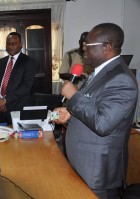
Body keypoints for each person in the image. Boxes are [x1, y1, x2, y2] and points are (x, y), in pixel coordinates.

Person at [54, 23, 138, 199]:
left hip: (97, 172)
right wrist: (70, 114)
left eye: (88, 45)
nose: (83, 49)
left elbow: (102, 123)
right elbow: (92, 108)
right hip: (83, 163)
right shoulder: (99, 73)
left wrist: (74, 96)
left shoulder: (121, 78)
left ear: (107, 47)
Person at [0, 32, 35, 124]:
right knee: (1, 136)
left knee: (17, 137)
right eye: (8, 44)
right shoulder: (1, 62)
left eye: (13, 44)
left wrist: (5, 100)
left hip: (17, 108)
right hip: (0, 110)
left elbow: (26, 86)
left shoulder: (28, 61)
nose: (10, 46)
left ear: (21, 44)